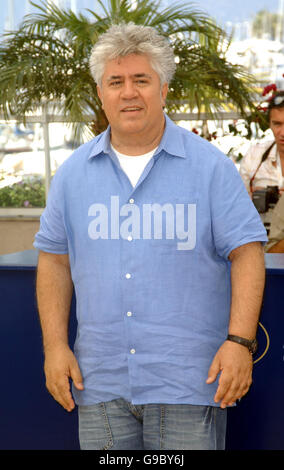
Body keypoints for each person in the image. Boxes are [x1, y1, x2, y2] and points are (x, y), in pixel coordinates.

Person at [34, 23, 267, 451]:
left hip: (191, 381)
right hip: (99, 382)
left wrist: (239, 343)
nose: (129, 92)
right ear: (100, 92)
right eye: (116, 82)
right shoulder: (71, 175)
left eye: (142, 80)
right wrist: (54, 346)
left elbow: (247, 253)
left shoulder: (210, 168)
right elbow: (54, 260)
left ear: (163, 89)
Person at [240, 91, 284, 197]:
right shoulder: (255, 155)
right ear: (269, 124)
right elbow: (237, 204)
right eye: (277, 124)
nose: (283, 133)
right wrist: (253, 197)